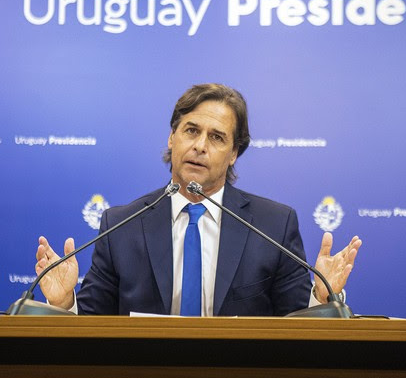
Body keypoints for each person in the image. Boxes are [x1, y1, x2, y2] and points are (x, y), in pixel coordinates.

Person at [35, 83, 362, 316]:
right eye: (191, 131)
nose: (200, 146)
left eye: (217, 137)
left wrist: (322, 297)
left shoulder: (273, 225)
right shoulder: (121, 225)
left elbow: (297, 325)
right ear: (172, 138)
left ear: (234, 154)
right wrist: (64, 304)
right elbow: (94, 323)